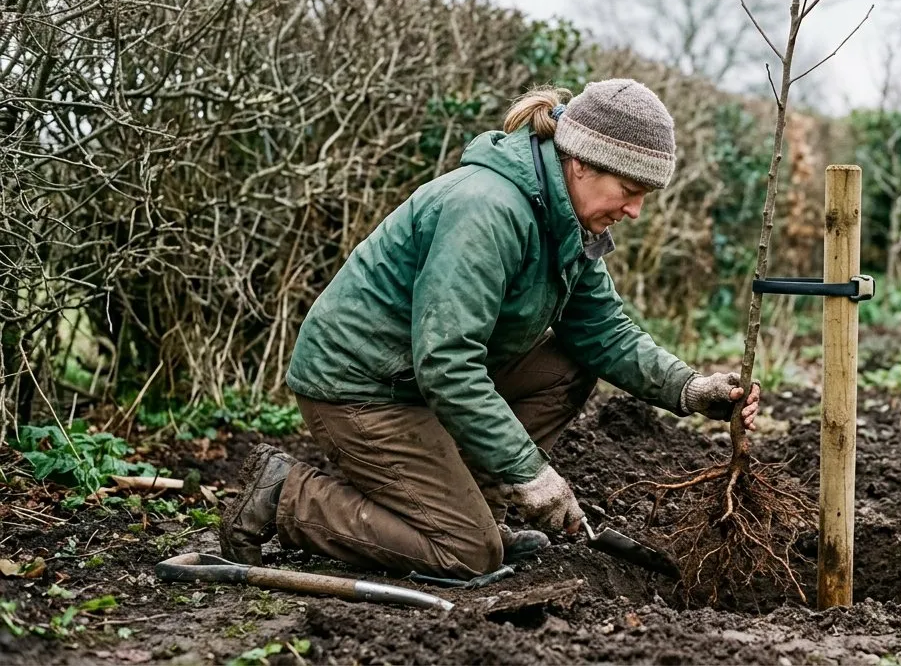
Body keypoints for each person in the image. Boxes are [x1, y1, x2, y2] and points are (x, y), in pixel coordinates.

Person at [218, 79, 761, 581]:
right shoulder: (487, 210)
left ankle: (475, 503)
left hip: (417, 384)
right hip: (362, 391)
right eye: (629, 188)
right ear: (580, 164)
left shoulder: (564, 219)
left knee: (573, 363)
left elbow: (604, 332)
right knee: (466, 554)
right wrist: (529, 472)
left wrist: (689, 389)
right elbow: (448, 364)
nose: (636, 210)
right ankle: (286, 495)